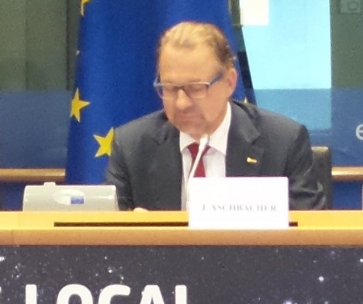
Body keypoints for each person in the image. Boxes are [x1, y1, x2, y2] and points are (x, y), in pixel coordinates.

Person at [105, 20, 326, 211]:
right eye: (170, 88)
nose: (181, 103)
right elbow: (105, 232)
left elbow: (309, 232)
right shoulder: (132, 146)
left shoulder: (283, 142)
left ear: (229, 82)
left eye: (196, 88)